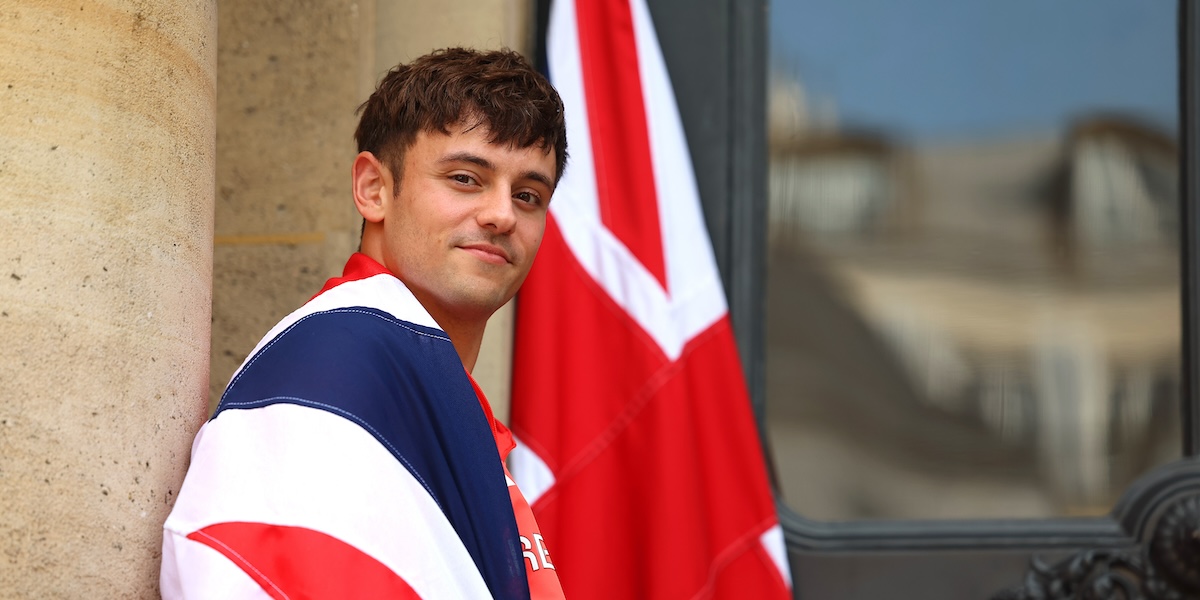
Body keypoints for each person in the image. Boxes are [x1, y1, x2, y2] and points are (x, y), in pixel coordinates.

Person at [161, 47, 568, 599]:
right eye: (467, 178)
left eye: (528, 195)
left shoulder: (418, 386)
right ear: (374, 189)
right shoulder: (336, 366)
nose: (502, 215)